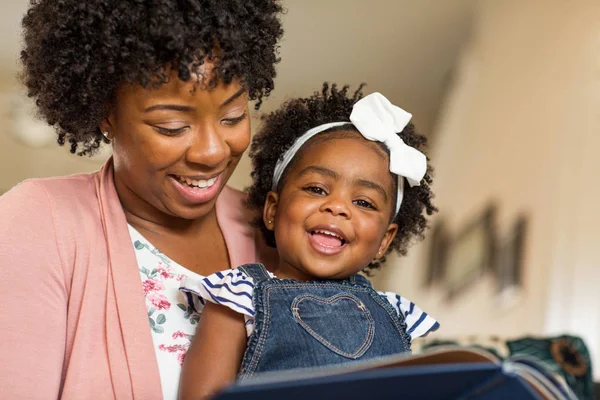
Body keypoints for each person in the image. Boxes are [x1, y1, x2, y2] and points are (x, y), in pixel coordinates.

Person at [0, 1, 283, 399]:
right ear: (106, 114)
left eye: (233, 116)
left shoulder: (272, 228)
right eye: (172, 126)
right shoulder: (38, 222)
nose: (212, 151)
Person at [178, 84, 440, 399]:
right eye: (316, 189)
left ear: (385, 240)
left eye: (365, 203)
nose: (338, 206)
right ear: (273, 210)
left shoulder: (398, 314)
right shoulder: (240, 296)